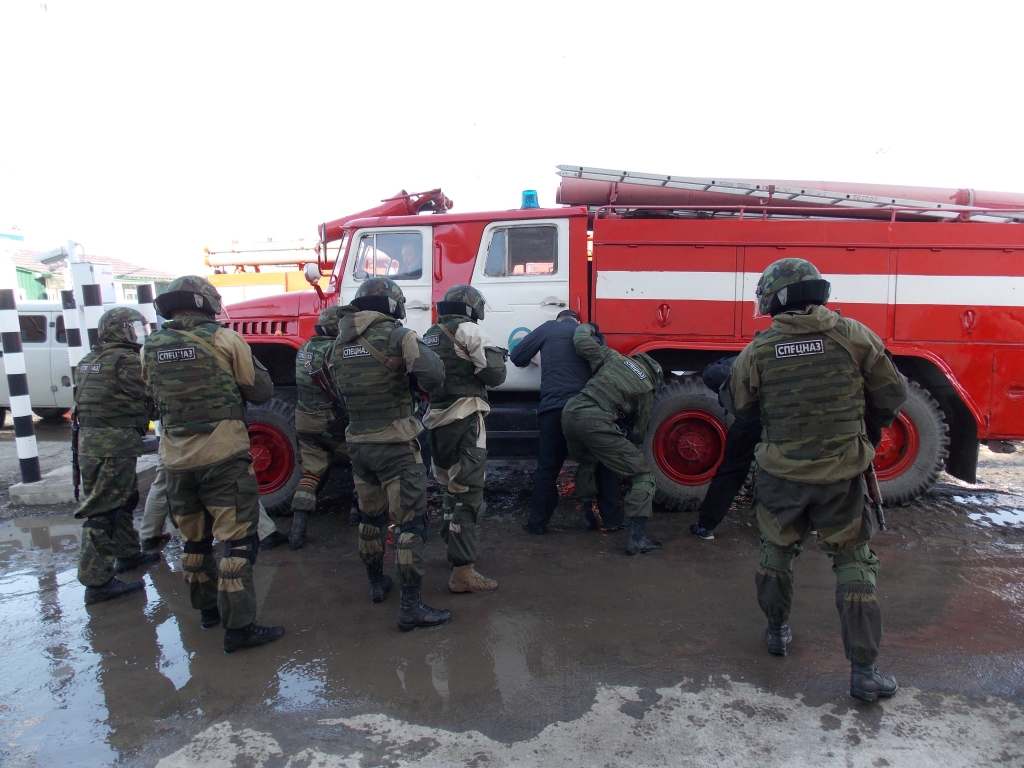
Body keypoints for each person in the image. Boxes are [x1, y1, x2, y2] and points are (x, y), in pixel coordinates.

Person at [729, 257, 907, 702]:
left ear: (777, 298)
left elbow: (742, 408)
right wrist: (870, 426)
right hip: (842, 475)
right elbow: (891, 394)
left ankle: (776, 632)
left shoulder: (759, 349)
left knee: (776, 554)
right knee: (852, 562)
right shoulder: (854, 336)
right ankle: (864, 673)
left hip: (780, 475)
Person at [143, 275, 284, 653]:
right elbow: (260, 390)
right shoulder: (224, 339)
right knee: (238, 542)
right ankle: (239, 629)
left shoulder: (150, 347)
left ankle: (207, 612)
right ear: (206, 303)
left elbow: (149, 399)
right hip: (222, 456)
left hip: (175, 460)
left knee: (194, 540)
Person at [327, 276, 450, 631]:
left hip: (359, 443)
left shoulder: (338, 343)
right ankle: (411, 607)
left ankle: (376, 584)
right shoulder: (399, 336)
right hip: (395, 444)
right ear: (394, 306)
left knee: (371, 517)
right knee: (411, 523)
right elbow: (435, 375)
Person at [422, 285, 508, 593]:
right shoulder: (470, 331)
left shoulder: (430, 333)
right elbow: (496, 375)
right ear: (472, 308)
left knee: (448, 487)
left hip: (435, 419)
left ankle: (454, 547)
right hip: (464, 416)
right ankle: (462, 572)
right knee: (468, 493)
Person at [74, 307, 160, 604]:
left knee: (123, 499)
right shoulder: (126, 361)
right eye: (132, 328)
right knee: (105, 510)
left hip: (92, 442)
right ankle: (96, 582)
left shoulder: (90, 360)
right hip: (114, 443)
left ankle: (127, 554)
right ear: (120, 331)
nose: (137, 334)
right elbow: (152, 395)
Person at [511, 309, 623, 534]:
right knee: (602, 463)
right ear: (578, 322)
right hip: (588, 409)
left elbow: (517, 356)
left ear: (558, 320)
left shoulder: (548, 328)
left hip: (555, 410)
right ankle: (611, 520)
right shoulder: (593, 334)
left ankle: (537, 524)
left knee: (548, 469)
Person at [561, 324, 664, 556]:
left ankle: (586, 516)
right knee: (643, 475)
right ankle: (637, 539)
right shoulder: (646, 387)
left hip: (569, 414)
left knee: (588, 461)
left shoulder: (614, 358)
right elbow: (639, 433)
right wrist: (625, 437)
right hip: (595, 421)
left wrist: (588, 326)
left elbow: (581, 341)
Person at [288, 306, 358, 550]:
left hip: (305, 422)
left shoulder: (304, 348)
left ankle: (297, 529)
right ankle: (356, 514)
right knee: (362, 462)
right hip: (331, 423)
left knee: (311, 474)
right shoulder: (336, 349)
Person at [139, 450, 286, 551]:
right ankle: (265, 532)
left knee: (164, 481)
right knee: (233, 475)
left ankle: (149, 535)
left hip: (173, 435)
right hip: (208, 430)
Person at [688, 355, 761, 540]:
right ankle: (812, 524)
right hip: (795, 419)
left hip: (753, 417)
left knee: (731, 471)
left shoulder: (762, 347)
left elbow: (715, 374)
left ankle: (706, 526)